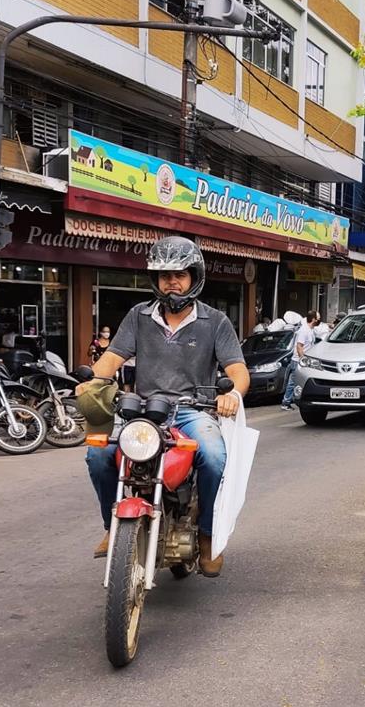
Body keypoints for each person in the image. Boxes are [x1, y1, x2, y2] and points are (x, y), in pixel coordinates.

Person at [76, 236, 250, 577]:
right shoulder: (138, 316)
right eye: (164, 274)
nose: (172, 281)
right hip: (142, 411)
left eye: (180, 274)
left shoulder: (215, 321)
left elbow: (238, 371)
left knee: (215, 458)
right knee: (97, 455)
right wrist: (92, 382)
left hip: (192, 411)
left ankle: (206, 536)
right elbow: (112, 358)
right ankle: (113, 527)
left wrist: (233, 395)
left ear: (193, 276)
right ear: (155, 280)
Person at [280, 310, 321, 410]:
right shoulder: (304, 330)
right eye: (318, 318)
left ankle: (289, 400)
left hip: (304, 360)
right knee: (293, 382)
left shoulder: (310, 330)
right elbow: (299, 346)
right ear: (313, 319)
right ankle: (285, 403)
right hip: (298, 360)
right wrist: (303, 360)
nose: (319, 320)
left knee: (295, 381)